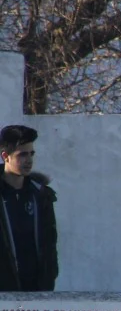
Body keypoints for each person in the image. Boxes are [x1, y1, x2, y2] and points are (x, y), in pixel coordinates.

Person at [0, 125, 58, 292]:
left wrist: (48, 279)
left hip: (36, 293)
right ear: (6, 156)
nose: (29, 160)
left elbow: (49, 244)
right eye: (22, 154)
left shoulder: (40, 195)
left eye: (31, 153)